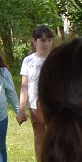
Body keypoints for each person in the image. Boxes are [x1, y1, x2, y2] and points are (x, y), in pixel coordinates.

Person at [18, 25, 54, 154]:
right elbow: (24, 85)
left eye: (49, 40)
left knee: (55, 136)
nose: (46, 44)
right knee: (39, 137)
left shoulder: (55, 58)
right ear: (34, 41)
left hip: (53, 104)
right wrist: (21, 109)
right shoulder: (29, 61)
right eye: (42, 40)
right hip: (34, 105)